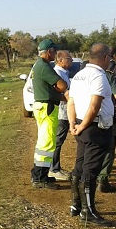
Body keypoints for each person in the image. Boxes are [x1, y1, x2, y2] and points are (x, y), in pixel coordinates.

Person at [67, 43, 114, 226]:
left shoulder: (79, 75)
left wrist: (74, 124)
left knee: (80, 166)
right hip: (95, 128)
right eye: (109, 56)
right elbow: (94, 107)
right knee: (90, 170)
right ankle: (88, 211)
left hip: (81, 126)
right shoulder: (98, 76)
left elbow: (71, 102)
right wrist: (83, 125)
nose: (110, 59)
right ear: (105, 57)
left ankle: (76, 205)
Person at [30, 39, 68, 189]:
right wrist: (59, 89)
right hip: (47, 107)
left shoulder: (39, 65)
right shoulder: (44, 66)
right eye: (54, 50)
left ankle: (41, 174)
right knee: (47, 143)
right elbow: (62, 85)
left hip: (44, 106)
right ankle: (39, 178)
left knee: (44, 142)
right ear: (48, 52)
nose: (55, 53)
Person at [50, 50, 73, 180]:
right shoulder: (57, 74)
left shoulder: (64, 73)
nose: (71, 61)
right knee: (57, 141)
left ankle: (56, 167)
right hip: (61, 113)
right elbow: (62, 94)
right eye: (68, 58)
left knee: (59, 141)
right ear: (60, 60)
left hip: (65, 112)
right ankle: (53, 169)